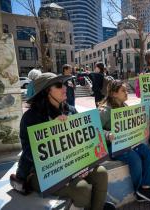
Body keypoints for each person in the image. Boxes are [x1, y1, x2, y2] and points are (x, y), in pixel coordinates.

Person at [10, 73, 115, 210]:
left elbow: (86, 139)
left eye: (64, 84)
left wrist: (85, 164)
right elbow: (30, 153)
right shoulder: (31, 117)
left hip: (71, 163)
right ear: (46, 91)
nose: (65, 88)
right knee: (82, 190)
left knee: (101, 173)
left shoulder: (70, 110)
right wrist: (50, 131)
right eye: (59, 85)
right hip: (39, 172)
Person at [99, 80, 150, 204]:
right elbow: (95, 130)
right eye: (123, 90)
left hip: (127, 143)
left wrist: (143, 124)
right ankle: (138, 190)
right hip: (112, 146)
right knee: (134, 158)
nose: (127, 93)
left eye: (126, 90)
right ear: (114, 94)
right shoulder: (105, 110)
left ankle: (145, 188)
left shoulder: (124, 106)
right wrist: (108, 134)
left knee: (147, 151)